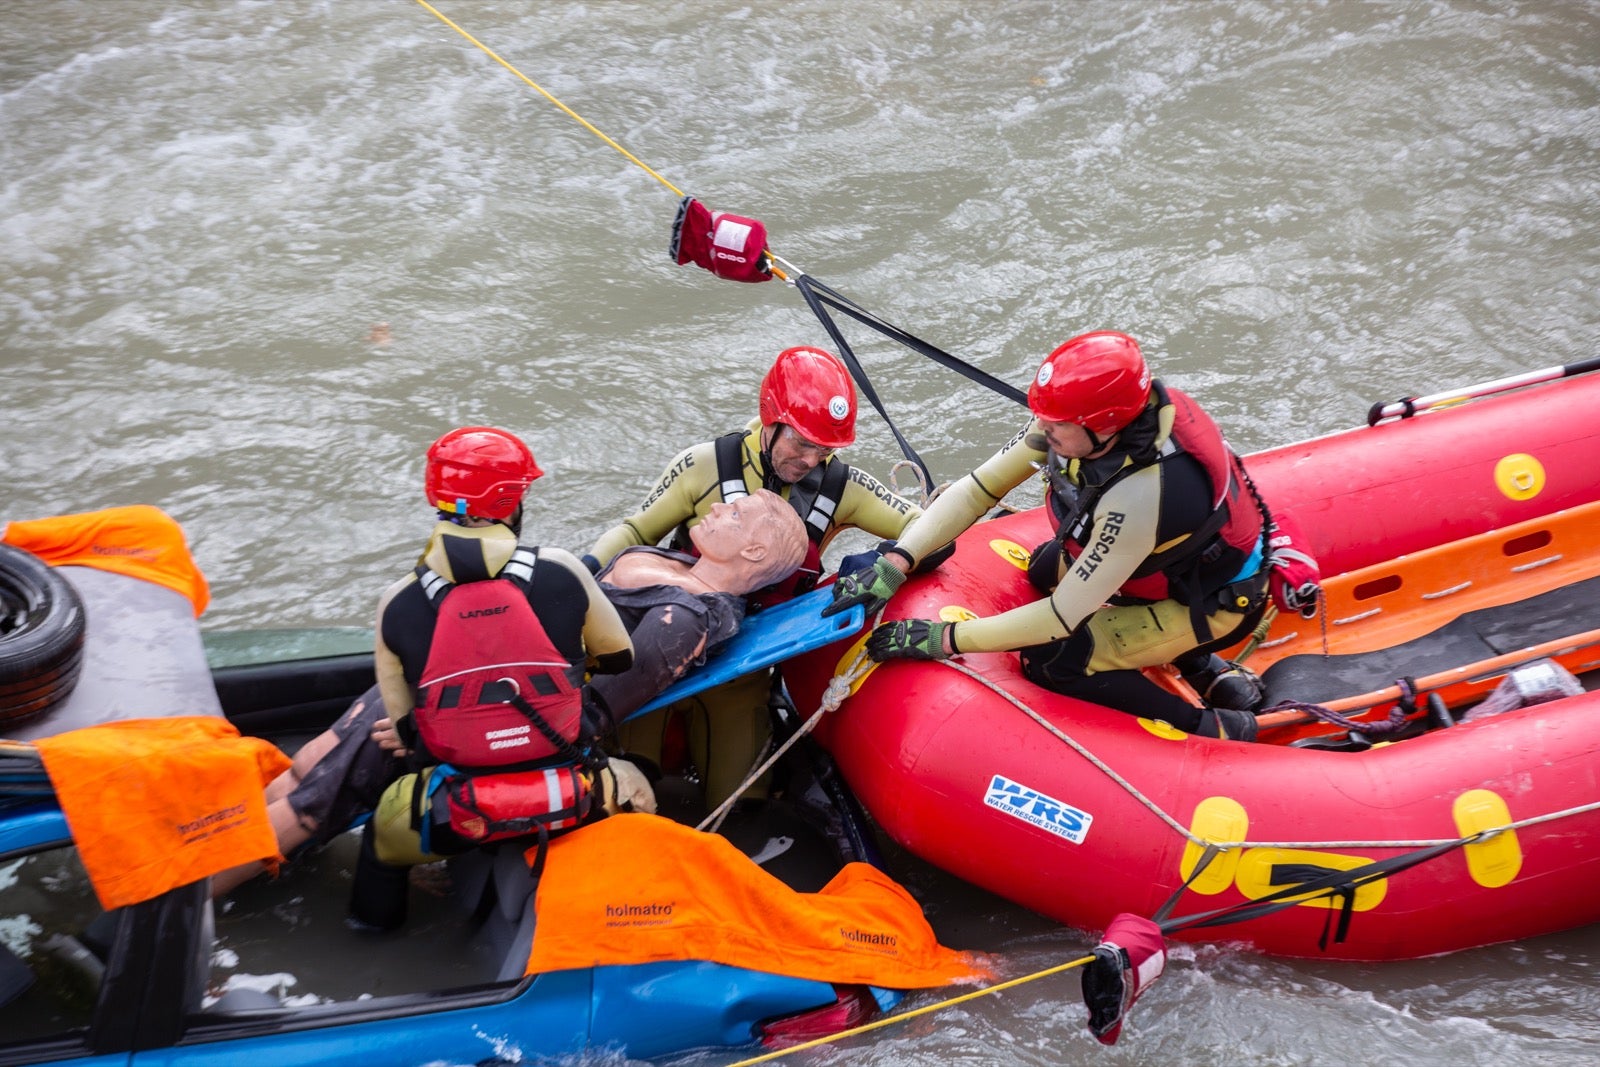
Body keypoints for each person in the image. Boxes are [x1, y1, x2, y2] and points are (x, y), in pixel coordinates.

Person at [827, 331, 1271, 741]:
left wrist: (944, 639)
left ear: (1106, 424)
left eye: (1056, 423)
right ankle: (1196, 665)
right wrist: (897, 562)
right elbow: (977, 490)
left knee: (1055, 660)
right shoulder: (1073, 427)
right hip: (1152, 569)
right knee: (1043, 567)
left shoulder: (1145, 492)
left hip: (1206, 601)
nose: (1042, 428)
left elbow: (1060, 618)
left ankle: (1211, 725)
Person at [585, 346, 945, 807]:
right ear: (769, 418)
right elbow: (635, 529)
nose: (812, 459)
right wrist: (584, 576)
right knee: (628, 794)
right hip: (655, 656)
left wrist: (887, 563)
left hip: (745, 668)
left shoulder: (843, 488)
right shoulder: (704, 465)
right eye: (801, 442)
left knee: (743, 806)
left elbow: (931, 530)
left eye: (826, 448)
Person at [351, 426, 648, 930]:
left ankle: (373, 936)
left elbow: (406, 732)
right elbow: (621, 656)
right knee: (637, 787)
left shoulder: (396, 601)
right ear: (512, 501)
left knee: (383, 839)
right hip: (573, 798)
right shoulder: (562, 570)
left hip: (452, 814)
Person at [589, 489, 808, 727]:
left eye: (734, 513)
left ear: (753, 551)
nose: (716, 507)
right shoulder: (685, 567)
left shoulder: (688, 619)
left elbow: (590, 714)